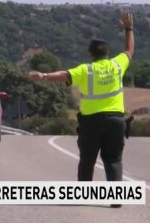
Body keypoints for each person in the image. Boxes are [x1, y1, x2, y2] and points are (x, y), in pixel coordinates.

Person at [29, 13, 134, 187]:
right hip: (116, 121)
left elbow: (64, 75)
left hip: (92, 122)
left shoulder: (86, 70)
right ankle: (116, 197)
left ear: (90, 54)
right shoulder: (117, 65)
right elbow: (129, 50)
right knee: (113, 160)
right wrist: (128, 29)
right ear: (107, 53)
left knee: (87, 159)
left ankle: (83, 192)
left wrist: (44, 75)